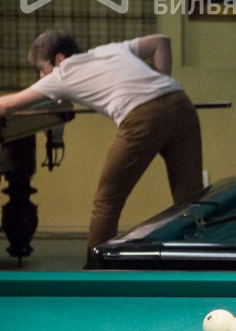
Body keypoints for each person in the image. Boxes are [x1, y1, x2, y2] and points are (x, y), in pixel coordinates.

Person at [0, 30, 203, 267]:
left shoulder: (61, 75)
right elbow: (161, 41)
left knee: (106, 201)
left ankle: (95, 272)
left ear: (59, 59)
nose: (41, 76)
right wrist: (159, 83)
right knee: (190, 198)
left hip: (141, 117)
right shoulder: (109, 50)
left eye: (42, 68)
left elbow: (7, 105)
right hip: (181, 103)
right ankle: (198, 264)